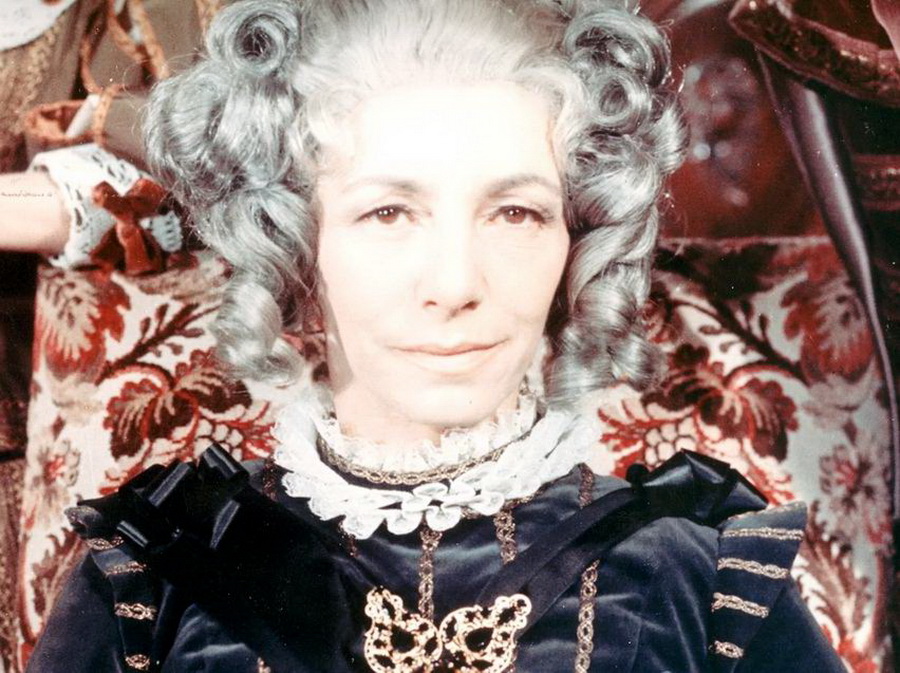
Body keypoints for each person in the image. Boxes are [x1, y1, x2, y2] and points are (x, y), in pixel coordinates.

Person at [26, 0, 846, 671]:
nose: (455, 285)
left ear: (577, 236)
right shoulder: (158, 572)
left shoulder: (700, 574)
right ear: (295, 240)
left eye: (516, 212)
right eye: (388, 213)